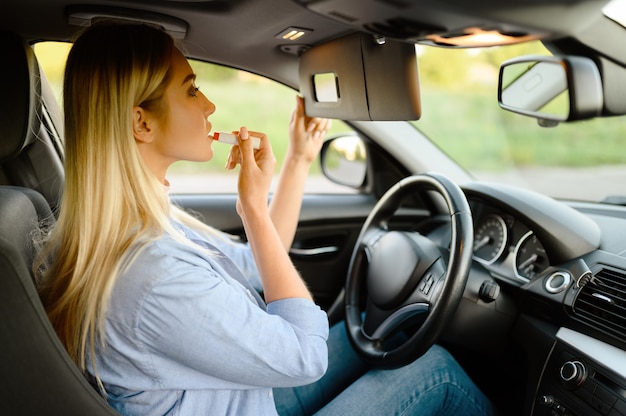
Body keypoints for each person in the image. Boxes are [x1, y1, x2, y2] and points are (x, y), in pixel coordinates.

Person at [35, 21, 495, 416]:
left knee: (380, 338)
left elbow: (258, 266)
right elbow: (306, 354)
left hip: (241, 396)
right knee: (436, 374)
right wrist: (252, 209)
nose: (209, 106)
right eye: (191, 89)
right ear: (142, 124)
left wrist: (297, 161)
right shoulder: (155, 275)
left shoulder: (141, 227)